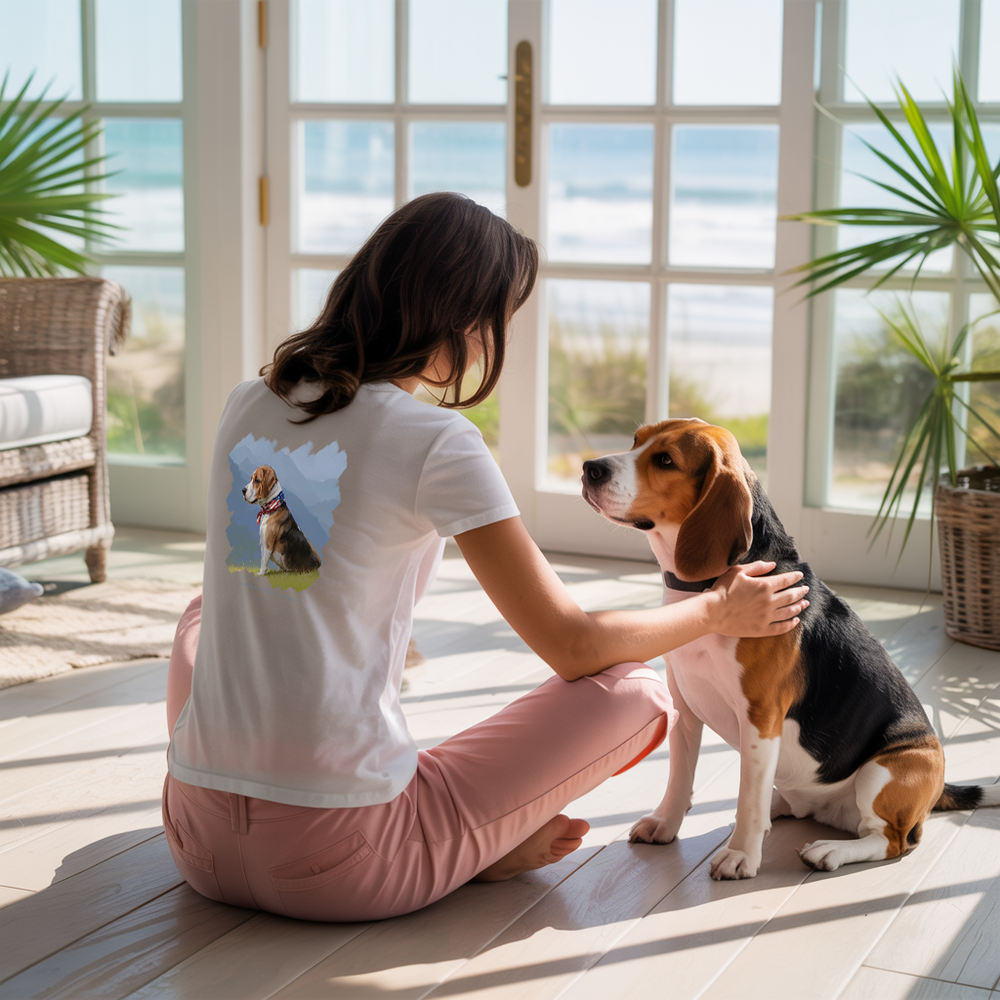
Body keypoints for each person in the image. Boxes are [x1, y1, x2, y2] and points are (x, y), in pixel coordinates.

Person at [163, 191, 808, 922]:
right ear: (460, 319)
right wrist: (718, 608)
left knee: (203, 612)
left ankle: (438, 824)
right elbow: (573, 646)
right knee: (639, 695)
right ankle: (471, 846)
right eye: (493, 318)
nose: (488, 340)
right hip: (344, 863)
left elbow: (282, 566)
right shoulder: (436, 439)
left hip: (197, 841)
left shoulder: (250, 398)